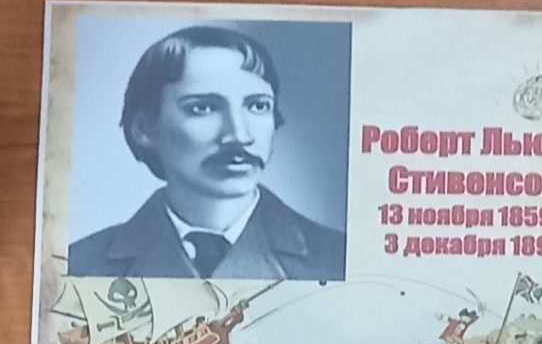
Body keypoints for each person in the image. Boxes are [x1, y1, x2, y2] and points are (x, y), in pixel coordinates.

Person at [69, 23, 347, 281]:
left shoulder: (338, 260)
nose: (240, 135)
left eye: (258, 106)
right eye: (203, 108)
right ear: (144, 128)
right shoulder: (80, 265)